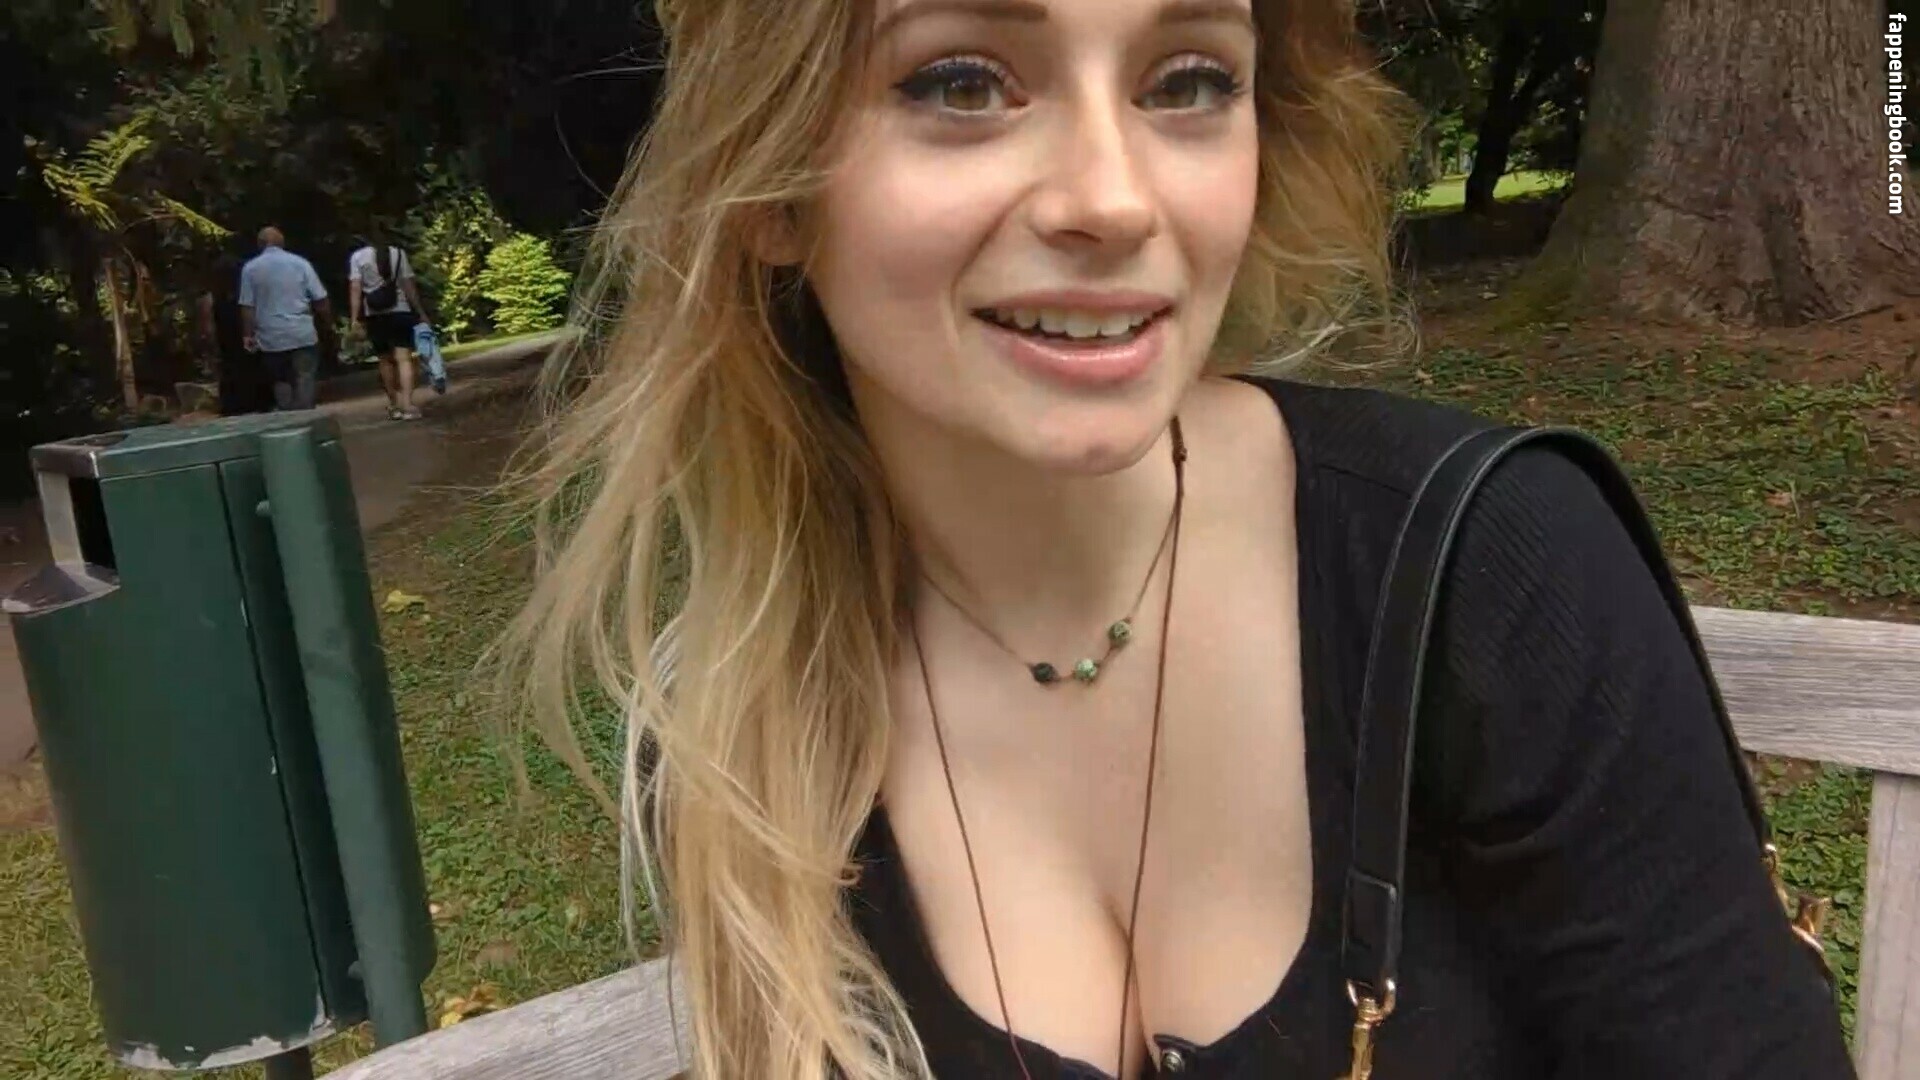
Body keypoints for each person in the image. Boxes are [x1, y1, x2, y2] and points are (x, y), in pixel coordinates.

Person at [495, 2, 1855, 1079]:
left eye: (1189, 79)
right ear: (770, 191)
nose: (1115, 197)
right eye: (962, 81)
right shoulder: (746, 733)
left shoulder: (1494, 571)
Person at [238, 226, 334, 411]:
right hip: (302, 333)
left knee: (280, 381)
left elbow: (247, 306)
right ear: (282, 242)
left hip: (270, 338)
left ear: (259, 245)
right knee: (305, 378)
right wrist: (327, 325)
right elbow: (320, 299)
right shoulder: (301, 263)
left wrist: (248, 335)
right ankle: (305, 416)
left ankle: (287, 416)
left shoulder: (250, 269)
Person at [347, 233, 429, 420]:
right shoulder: (398, 254)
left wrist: (354, 318)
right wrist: (419, 311)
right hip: (400, 310)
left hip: (375, 314)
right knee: (404, 359)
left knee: (384, 360)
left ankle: (394, 404)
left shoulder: (358, 257)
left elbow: (355, 288)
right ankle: (408, 404)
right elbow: (408, 286)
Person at [198, 252, 271, 415]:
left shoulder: (211, 300)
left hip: (229, 353)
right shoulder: (250, 296)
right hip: (251, 350)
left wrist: (212, 353)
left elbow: (208, 332)